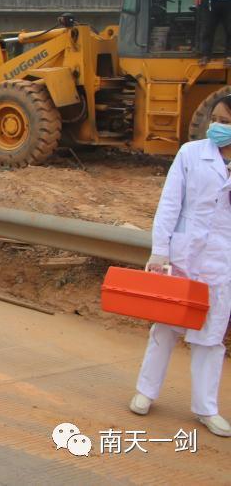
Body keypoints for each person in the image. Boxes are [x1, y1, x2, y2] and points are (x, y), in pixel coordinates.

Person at [130, 94, 231, 438]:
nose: (217, 126)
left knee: (211, 337)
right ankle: (146, 392)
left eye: (227, 122)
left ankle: (206, 408)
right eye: (216, 118)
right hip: (184, 256)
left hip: (221, 263)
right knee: (165, 328)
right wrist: (160, 252)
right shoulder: (191, 154)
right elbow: (170, 203)